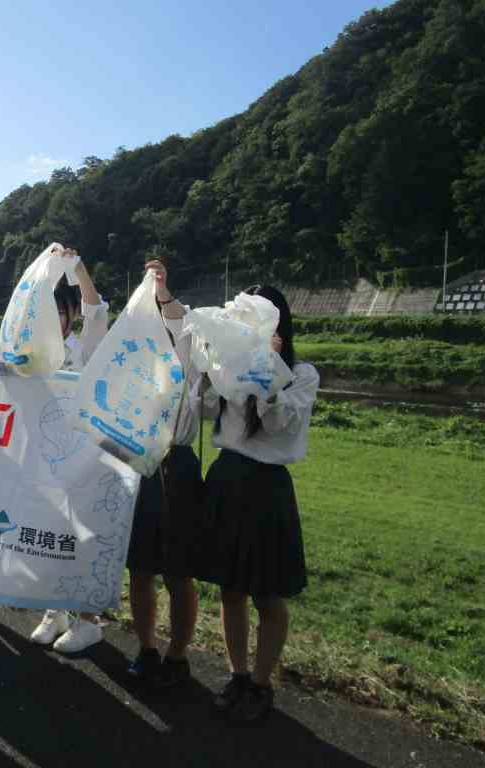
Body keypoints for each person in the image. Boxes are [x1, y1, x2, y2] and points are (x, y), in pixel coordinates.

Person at [192, 285, 319, 722]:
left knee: (267, 595)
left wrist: (268, 366)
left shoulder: (302, 373)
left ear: (279, 323)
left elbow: (282, 422)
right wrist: (209, 367)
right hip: (228, 477)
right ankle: (238, 675)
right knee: (230, 591)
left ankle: (262, 684)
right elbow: (207, 410)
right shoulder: (232, 369)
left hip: (266, 486)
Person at [124, 258, 205, 687]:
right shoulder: (130, 345)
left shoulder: (186, 332)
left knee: (178, 571)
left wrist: (162, 292)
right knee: (139, 567)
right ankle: (147, 647)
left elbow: (179, 317)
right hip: (140, 461)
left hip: (177, 460)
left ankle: (178, 654)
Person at [29, 249, 110, 654]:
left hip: (84, 460)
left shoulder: (86, 347)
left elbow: (96, 309)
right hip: (46, 461)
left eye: (60, 313)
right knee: (50, 536)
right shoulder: (32, 356)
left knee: (82, 540)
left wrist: (77, 268)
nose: (54, 322)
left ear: (69, 315)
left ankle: (88, 620)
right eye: (46, 314)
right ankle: (54, 610)